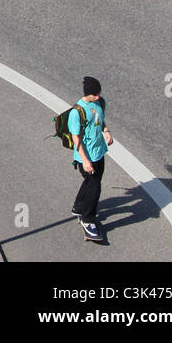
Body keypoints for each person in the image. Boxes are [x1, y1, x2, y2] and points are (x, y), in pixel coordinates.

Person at [68, 76, 113, 242]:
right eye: (95, 95)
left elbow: (100, 120)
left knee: (92, 182)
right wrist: (85, 161)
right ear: (88, 94)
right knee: (95, 188)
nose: (98, 97)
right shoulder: (77, 112)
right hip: (85, 157)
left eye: (99, 94)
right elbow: (76, 139)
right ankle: (87, 219)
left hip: (99, 152)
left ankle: (78, 207)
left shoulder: (100, 103)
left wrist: (107, 131)